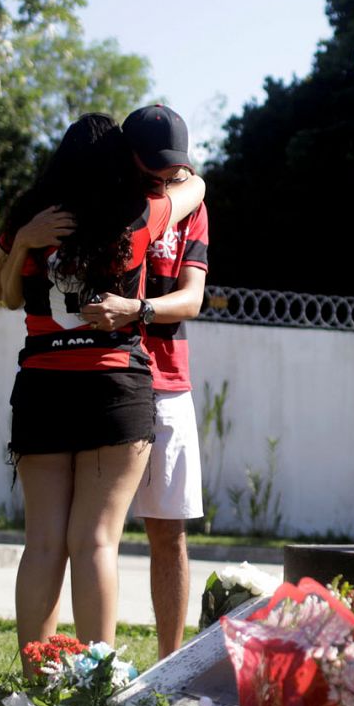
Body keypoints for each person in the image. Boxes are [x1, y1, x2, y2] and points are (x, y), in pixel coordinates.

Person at [0, 112, 205, 669]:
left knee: (43, 542)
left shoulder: (29, 217)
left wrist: (22, 242)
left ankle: (39, 678)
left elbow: (0, 293)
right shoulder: (136, 213)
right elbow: (196, 188)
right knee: (94, 541)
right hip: (114, 384)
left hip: (42, 384)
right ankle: (96, 683)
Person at [82, 104, 208, 659]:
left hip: (169, 381)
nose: (162, 178)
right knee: (88, 533)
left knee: (169, 531)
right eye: (152, 168)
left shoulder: (191, 204)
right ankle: (82, 663)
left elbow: (193, 298)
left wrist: (136, 309)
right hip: (105, 374)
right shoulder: (107, 199)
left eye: (172, 169)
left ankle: (168, 664)